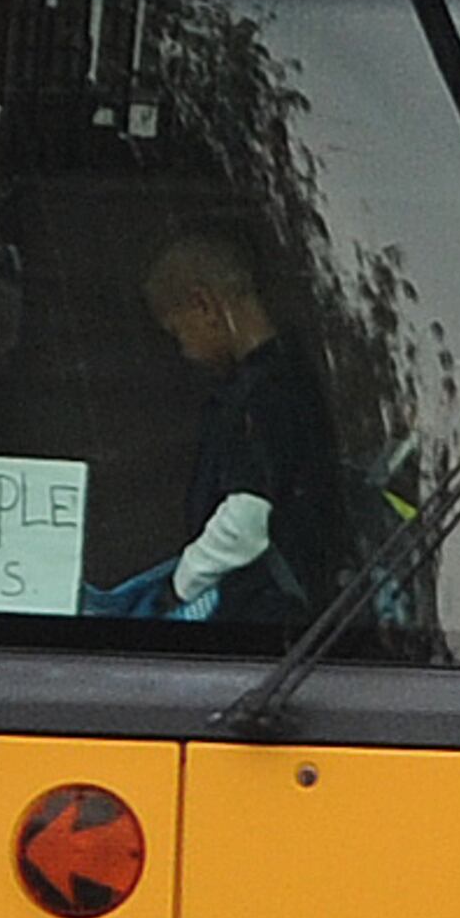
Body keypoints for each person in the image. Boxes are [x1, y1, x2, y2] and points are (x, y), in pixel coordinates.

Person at [87, 231, 353, 627]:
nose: (183, 351)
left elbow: (246, 520)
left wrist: (176, 589)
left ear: (205, 305)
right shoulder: (291, 375)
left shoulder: (266, 393)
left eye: (178, 332)